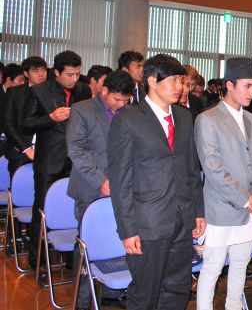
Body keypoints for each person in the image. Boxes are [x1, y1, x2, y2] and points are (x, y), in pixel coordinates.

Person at [107, 54, 205, 310]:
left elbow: (191, 169)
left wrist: (198, 211)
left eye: (181, 81)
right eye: (173, 80)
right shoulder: (128, 120)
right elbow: (120, 182)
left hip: (182, 219)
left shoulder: (184, 117)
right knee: (145, 293)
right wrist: (128, 230)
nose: (180, 87)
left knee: (178, 288)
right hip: (147, 223)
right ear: (152, 81)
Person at [194, 57, 252, 310]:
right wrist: (248, 200)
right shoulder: (208, 119)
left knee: (240, 264)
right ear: (229, 85)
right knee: (212, 268)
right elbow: (213, 169)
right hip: (223, 208)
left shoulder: (251, 119)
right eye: (247, 86)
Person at [66, 70, 133, 308]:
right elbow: (76, 150)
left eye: (125, 100)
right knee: (88, 245)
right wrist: (100, 180)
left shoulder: (129, 112)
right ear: (104, 90)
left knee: (118, 240)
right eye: (117, 99)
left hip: (123, 189)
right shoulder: (82, 110)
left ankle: (112, 293)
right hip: (90, 189)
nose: (121, 105)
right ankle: (83, 300)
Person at [23, 50, 91, 268]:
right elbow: (26, 124)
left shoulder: (83, 90)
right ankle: (37, 260)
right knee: (42, 210)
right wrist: (50, 118)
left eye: (77, 74)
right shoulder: (39, 91)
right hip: (49, 161)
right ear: (57, 72)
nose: (74, 79)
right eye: (70, 74)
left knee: (74, 210)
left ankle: (72, 259)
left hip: (76, 161)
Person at [3, 57, 47, 177]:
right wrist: (26, 149)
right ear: (26, 74)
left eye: (43, 70)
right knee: (20, 187)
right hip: (20, 152)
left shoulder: (52, 92)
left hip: (46, 153)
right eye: (36, 71)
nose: (41, 74)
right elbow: (8, 124)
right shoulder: (14, 93)